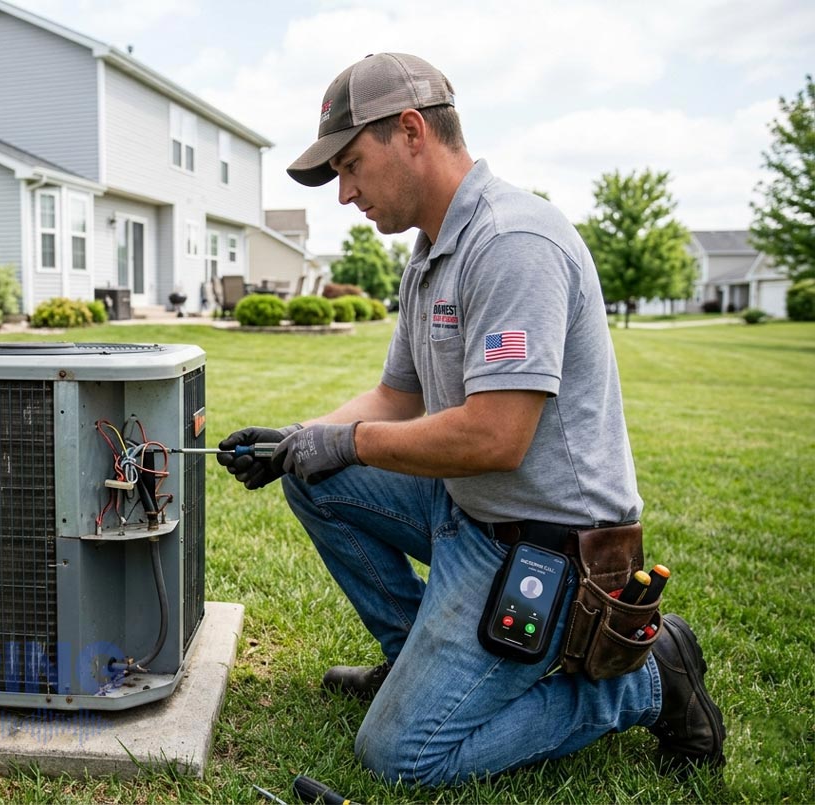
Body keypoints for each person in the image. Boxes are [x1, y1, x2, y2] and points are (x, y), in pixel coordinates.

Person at [218, 53, 724, 786]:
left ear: (412, 131)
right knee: (315, 476)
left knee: (399, 756)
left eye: (352, 165)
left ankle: (646, 683)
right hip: (471, 510)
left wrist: (345, 440)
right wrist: (298, 439)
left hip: (550, 545)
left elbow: (496, 437)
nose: (345, 193)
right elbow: (398, 398)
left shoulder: (513, 242)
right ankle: (411, 667)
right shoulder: (428, 257)